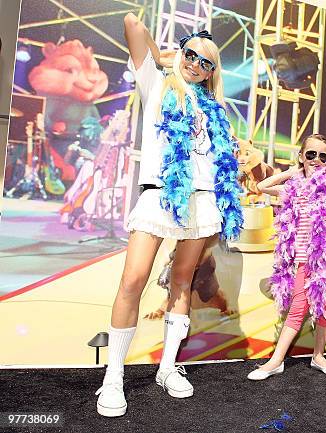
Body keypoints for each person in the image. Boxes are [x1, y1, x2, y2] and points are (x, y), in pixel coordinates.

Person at [95, 13, 242, 417]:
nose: (195, 64)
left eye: (205, 62)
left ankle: (167, 368)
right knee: (134, 279)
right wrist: (170, 55)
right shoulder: (156, 84)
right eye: (191, 55)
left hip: (202, 200)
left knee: (182, 281)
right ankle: (113, 376)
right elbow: (131, 24)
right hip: (161, 197)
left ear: (213, 72)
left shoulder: (215, 109)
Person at [247, 134, 326, 380]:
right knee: (299, 306)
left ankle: (318, 356)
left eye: (323, 156)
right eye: (311, 154)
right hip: (302, 257)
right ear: (301, 156)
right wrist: (293, 172)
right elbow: (262, 186)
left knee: (325, 306)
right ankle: (276, 361)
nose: (317, 160)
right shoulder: (293, 187)